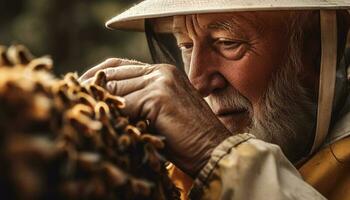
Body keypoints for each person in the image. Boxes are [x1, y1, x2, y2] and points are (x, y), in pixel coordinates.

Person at [80, 1, 350, 199]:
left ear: (313, 52)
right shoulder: (174, 170)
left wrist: (213, 152)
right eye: (185, 46)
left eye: (227, 42)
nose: (196, 81)